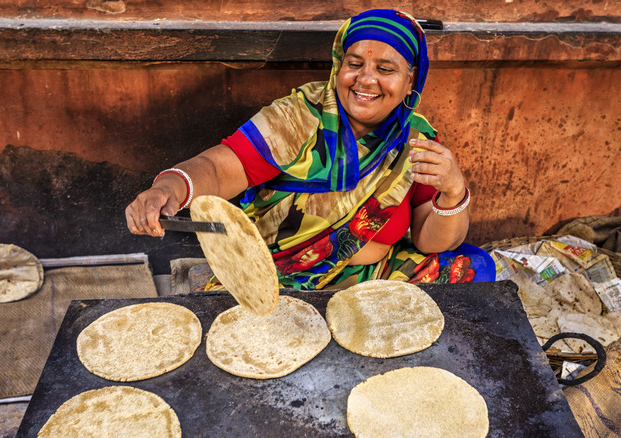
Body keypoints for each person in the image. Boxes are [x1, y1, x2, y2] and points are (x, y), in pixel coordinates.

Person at [126, 9, 495, 290]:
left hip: (370, 276)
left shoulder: (416, 139)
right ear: (339, 66)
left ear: (410, 78)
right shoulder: (298, 116)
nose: (366, 79)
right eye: (355, 64)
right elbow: (220, 168)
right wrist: (167, 189)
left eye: (386, 68)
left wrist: (454, 191)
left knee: (472, 271)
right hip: (282, 274)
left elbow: (431, 241)